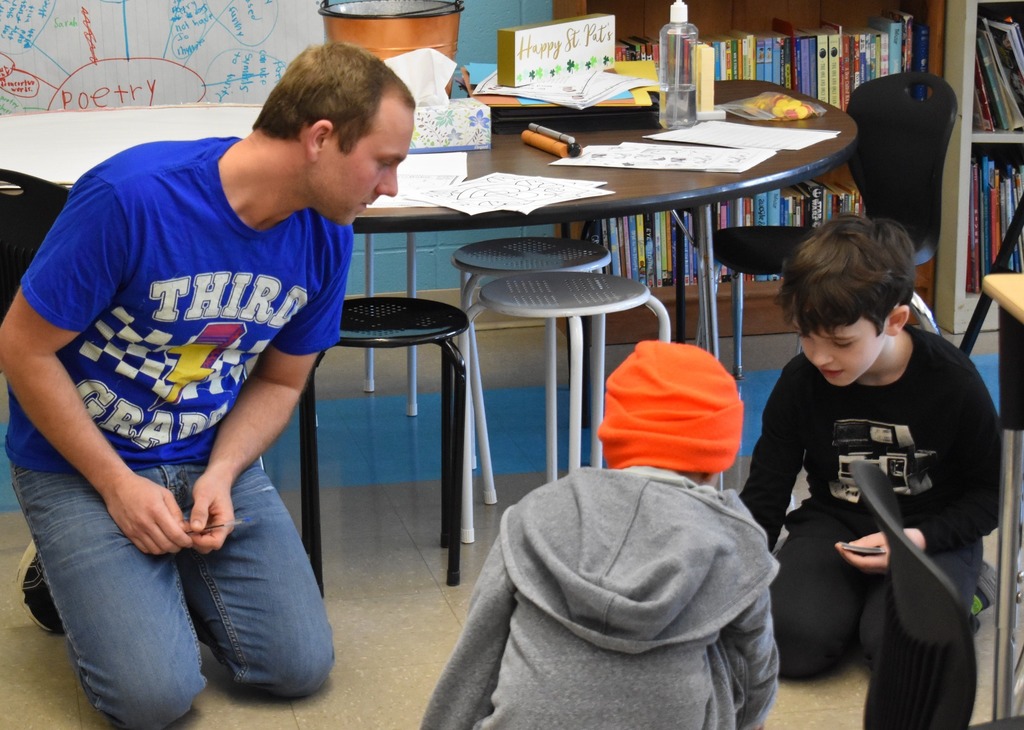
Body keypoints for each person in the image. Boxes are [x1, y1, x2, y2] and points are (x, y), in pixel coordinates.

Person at [0, 42, 415, 728]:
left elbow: (282, 382)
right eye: (385, 162)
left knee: (297, 668)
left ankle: (152, 568)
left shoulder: (328, 234)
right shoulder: (130, 198)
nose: (391, 187)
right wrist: (115, 485)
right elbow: (20, 349)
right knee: (152, 698)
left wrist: (223, 472)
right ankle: (59, 570)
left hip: (202, 450)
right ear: (320, 139)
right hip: (78, 462)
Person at [422, 341, 779, 730]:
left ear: (614, 444)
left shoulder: (534, 513)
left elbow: (478, 653)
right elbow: (754, 666)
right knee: (729, 648)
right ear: (716, 462)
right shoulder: (736, 538)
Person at [739, 214, 1001, 679]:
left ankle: (971, 588)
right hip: (835, 523)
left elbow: (989, 498)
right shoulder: (802, 381)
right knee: (789, 646)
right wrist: (733, 576)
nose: (819, 356)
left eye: (840, 342)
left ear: (895, 321)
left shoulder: (954, 382)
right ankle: (856, 601)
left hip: (929, 531)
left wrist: (916, 542)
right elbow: (766, 492)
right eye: (805, 335)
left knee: (899, 652)